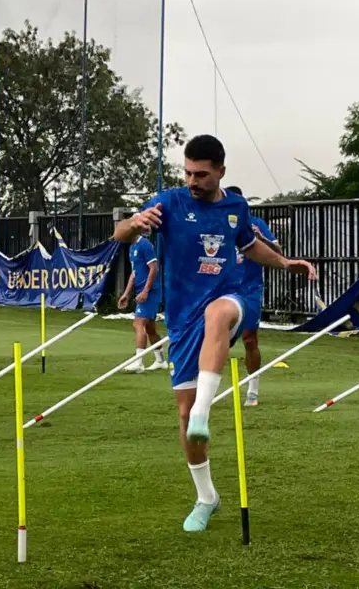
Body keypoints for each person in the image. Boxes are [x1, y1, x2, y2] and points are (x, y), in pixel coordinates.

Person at [113, 134, 315, 532]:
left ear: (220, 171)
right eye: (188, 172)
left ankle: (205, 410)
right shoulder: (168, 203)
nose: (193, 180)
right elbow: (120, 235)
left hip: (233, 297)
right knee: (184, 416)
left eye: (201, 174)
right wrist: (134, 224)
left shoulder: (236, 207)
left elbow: (250, 247)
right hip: (183, 319)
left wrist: (283, 262)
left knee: (218, 314)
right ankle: (207, 496)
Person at [225, 185, 281, 407]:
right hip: (224, 288)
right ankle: (204, 386)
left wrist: (261, 240)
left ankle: (253, 389)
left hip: (250, 289)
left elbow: (278, 254)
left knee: (249, 338)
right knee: (217, 340)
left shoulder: (257, 224)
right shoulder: (216, 222)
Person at [117, 230, 166, 373]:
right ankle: (161, 361)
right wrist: (126, 293)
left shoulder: (144, 245)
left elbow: (153, 268)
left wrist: (145, 291)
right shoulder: (132, 248)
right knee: (150, 328)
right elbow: (134, 273)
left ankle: (138, 363)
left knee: (138, 323)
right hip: (140, 291)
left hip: (150, 292)